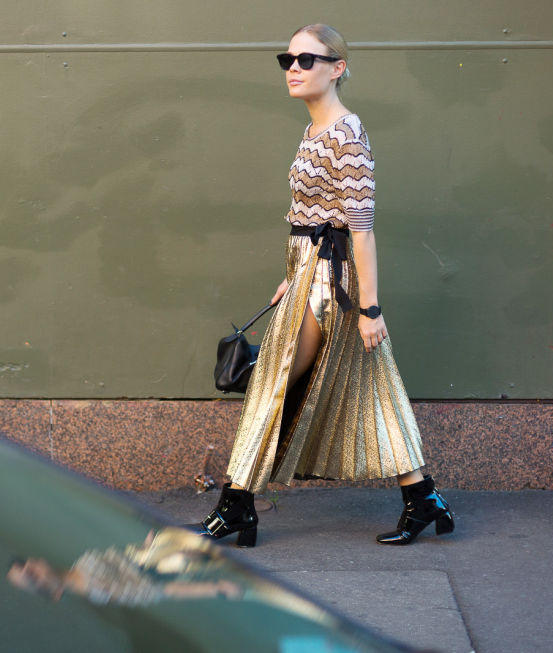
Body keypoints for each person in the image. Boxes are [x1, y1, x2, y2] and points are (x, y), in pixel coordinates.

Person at [194, 24, 453, 547]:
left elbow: (361, 228)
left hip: (332, 285)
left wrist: (370, 308)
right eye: (287, 58)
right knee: (372, 388)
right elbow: (313, 217)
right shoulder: (315, 131)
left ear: (337, 68)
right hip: (310, 273)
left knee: (272, 381)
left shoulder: (346, 134)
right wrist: (290, 278)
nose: (294, 67)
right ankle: (423, 499)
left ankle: (235, 505)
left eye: (307, 59)